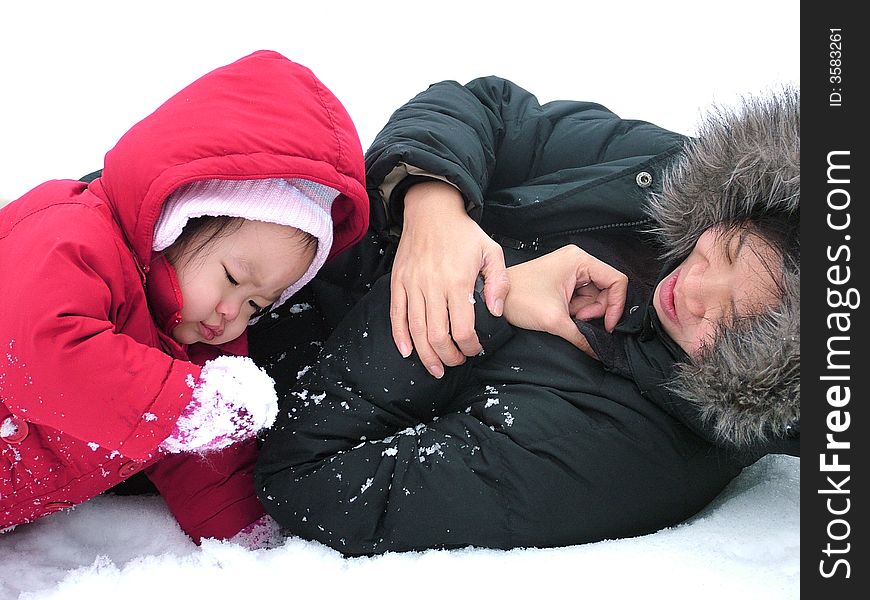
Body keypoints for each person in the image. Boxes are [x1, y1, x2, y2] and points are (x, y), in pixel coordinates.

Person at [251, 76, 799, 555]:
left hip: (215, 369)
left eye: (730, 323)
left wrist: (487, 296)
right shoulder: (682, 179)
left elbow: (313, 483)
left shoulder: (621, 456)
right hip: (256, 219)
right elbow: (494, 110)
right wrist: (433, 203)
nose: (694, 286)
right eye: (727, 251)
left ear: (769, 378)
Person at [0, 50, 369, 546]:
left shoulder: (195, 344)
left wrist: (251, 542)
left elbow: (206, 469)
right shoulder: (70, 234)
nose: (232, 313)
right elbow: (41, 354)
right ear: (178, 220)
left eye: (260, 305)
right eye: (233, 277)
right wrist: (196, 408)